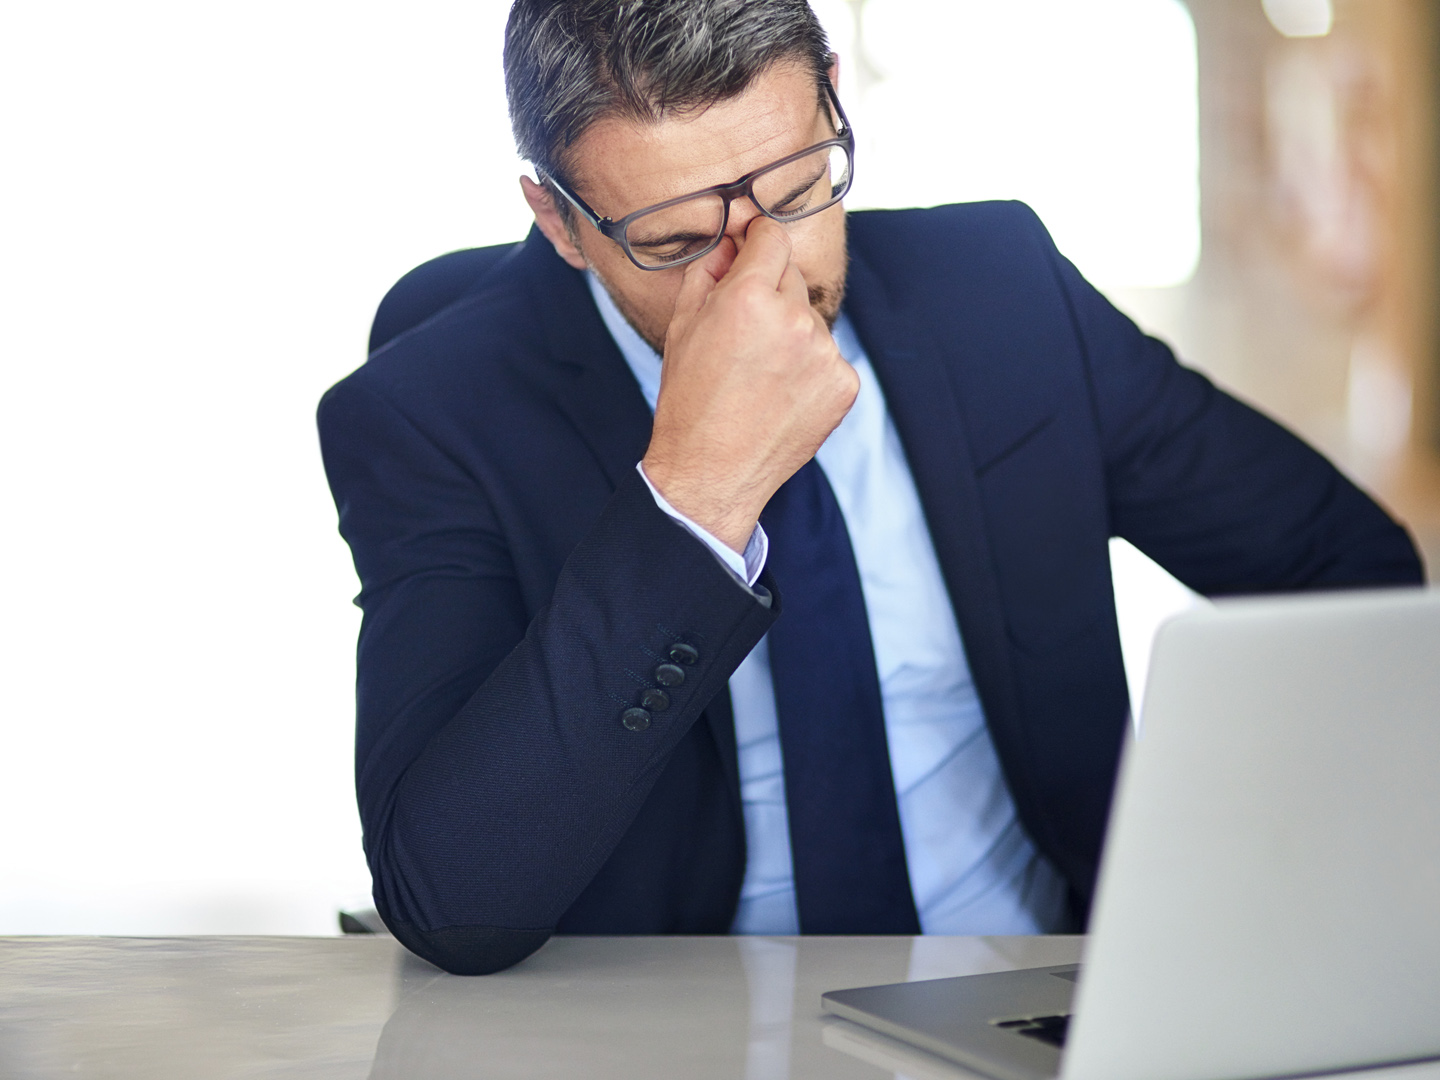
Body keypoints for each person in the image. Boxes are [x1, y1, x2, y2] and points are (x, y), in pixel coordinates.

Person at [317, 0, 1423, 976]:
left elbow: (1353, 582)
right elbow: (452, 902)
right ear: (558, 220)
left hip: (1038, 985)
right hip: (674, 1030)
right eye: (679, 240)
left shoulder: (1003, 292)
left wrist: (1233, 890)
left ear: (834, 103)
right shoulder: (428, 411)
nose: (768, 277)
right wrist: (695, 495)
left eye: (799, 192)